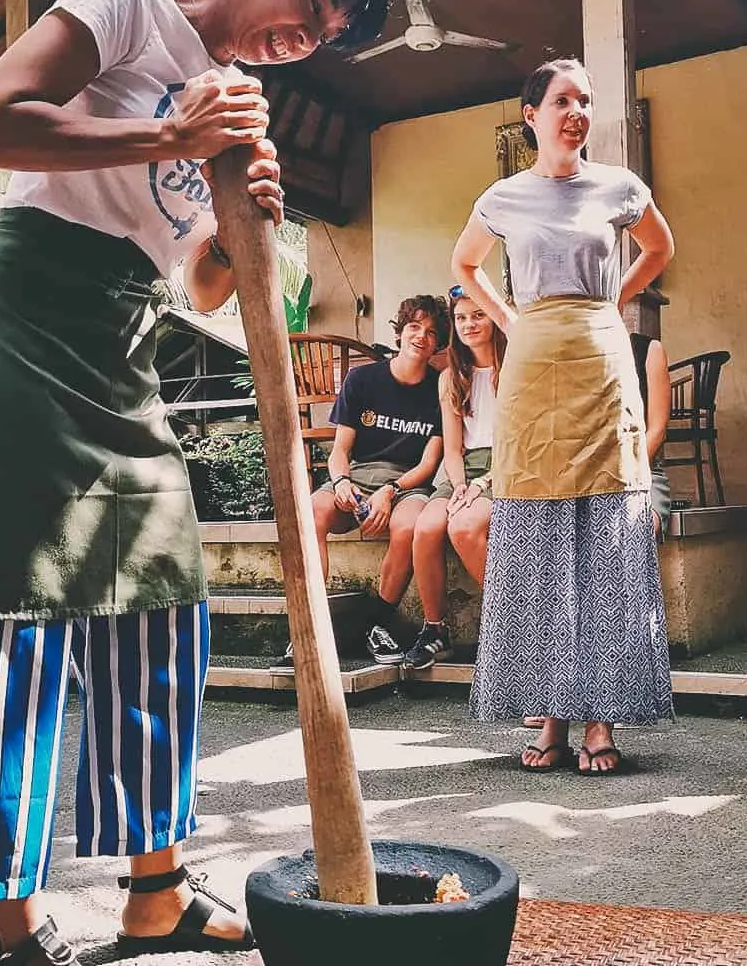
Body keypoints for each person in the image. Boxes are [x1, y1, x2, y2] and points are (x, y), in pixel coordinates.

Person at [0, 0, 388, 966]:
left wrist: (247, 206)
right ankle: (17, 957)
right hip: (19, 323)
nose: (301, 40)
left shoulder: (237, 94)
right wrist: (170, 131)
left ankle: (154, 890)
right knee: (4, 619)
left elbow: (199, 280)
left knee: (163, 603)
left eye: (320, 39)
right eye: (309, 6)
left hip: (119, 344)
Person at [452, 57, 675, 774]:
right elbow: (465, 265)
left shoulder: (620, 186)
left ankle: (602, 722)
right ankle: (546, 716)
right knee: (538, 537)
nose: (576, 112)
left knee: (607, 534)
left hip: (602, 355)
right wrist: (509, 317)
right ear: (531, 115)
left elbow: (660, 248)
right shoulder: (505, 195)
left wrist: (613, 301)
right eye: (562, 101)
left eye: (584, 101)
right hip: (533, 356)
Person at [276, 295, 446, 669]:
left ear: (439, 344)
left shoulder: (440, 387)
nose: (421, 337)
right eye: (415, 327)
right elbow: (340, 449)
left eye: (432, 333)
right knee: (311, 513)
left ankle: (377, 624)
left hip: (408, 484)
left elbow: (430, 463)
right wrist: (339, 482)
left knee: (409, 525)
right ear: (400, 332)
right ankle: (310, 628)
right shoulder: (363, 379)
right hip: (357, 475)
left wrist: (392, 491)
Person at [400, 286, 507, 672]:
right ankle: (435, 630)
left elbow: (523, 443)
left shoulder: (515, 369)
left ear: (495, 318)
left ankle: (511, 622)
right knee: (427, 526)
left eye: (478, 315)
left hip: (505, 465)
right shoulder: (451, 377)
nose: (469, 324)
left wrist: (482, 485)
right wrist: (461, 484)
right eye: (461, 318)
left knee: (463, 527)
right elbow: (452, 448)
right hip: (461, 470)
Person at [631, 332, 673, 540]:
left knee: (634, 528)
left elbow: (657, 431)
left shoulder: (648, 350)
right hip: (575, 480)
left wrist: (623, 477)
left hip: (641, 474)